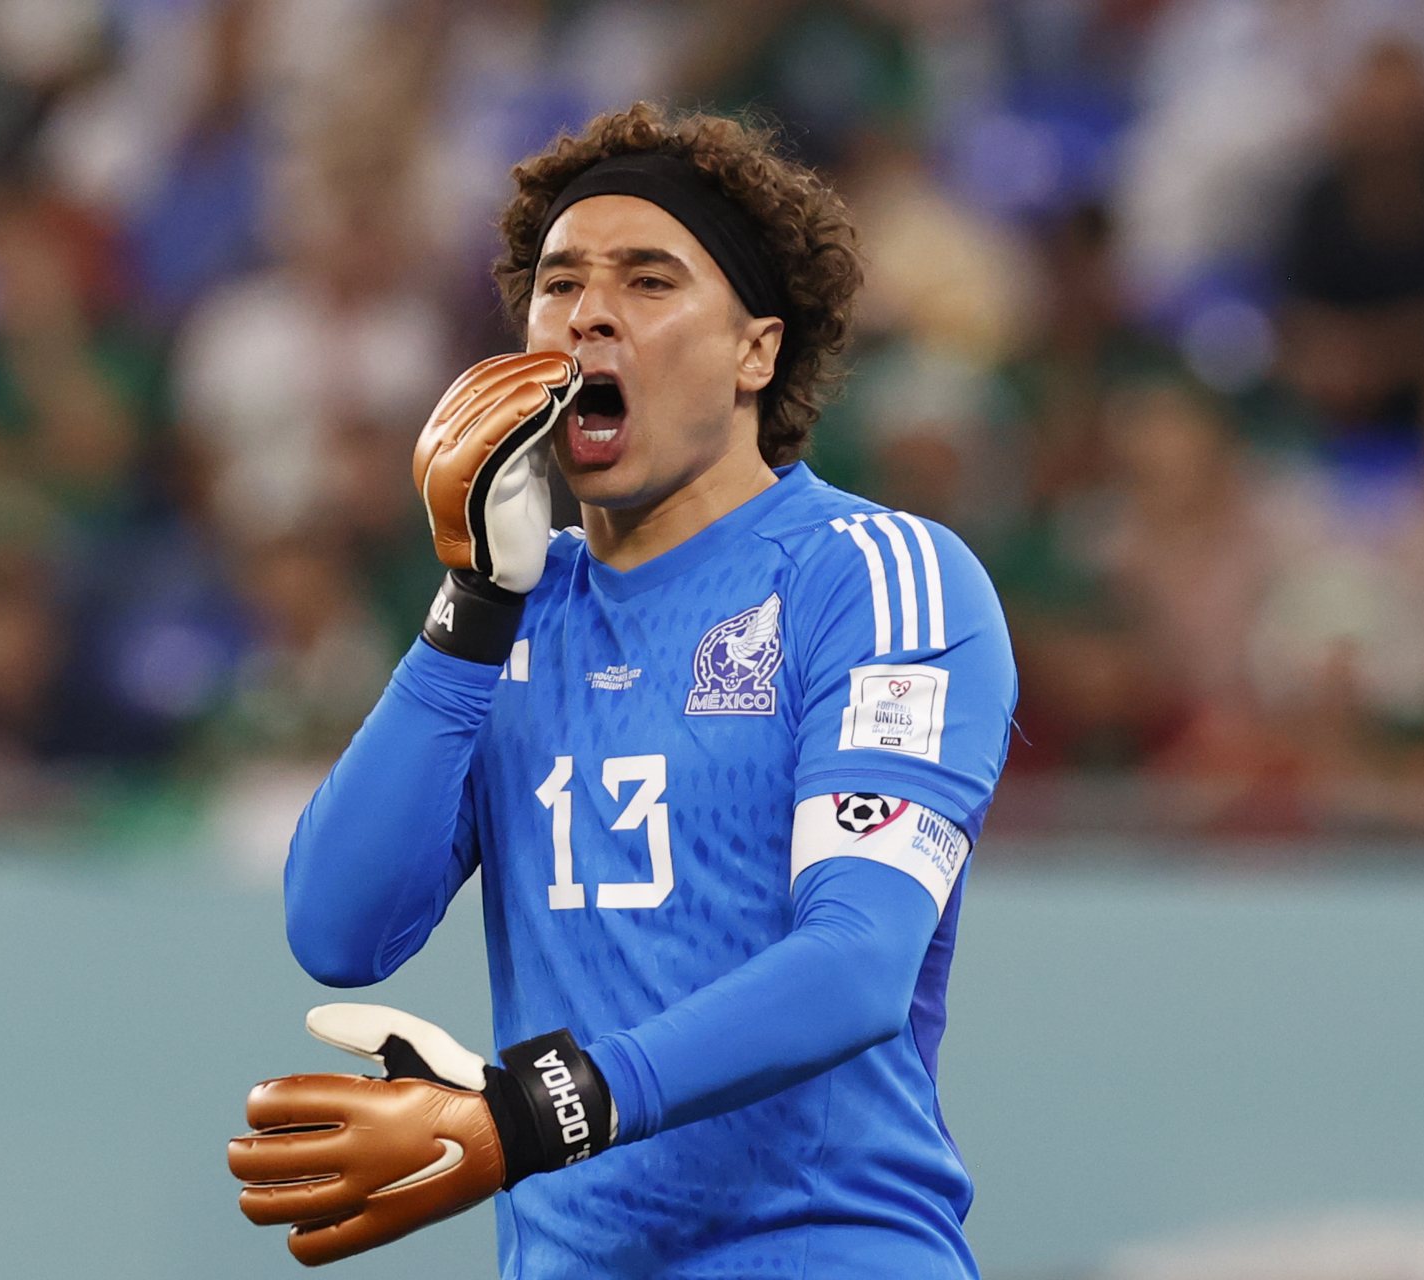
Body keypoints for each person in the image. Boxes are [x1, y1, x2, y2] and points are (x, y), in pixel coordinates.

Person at [228, 103, 1017, 1278]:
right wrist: (471, 611)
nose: (588, 311)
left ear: (758, 349)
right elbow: (338, 927)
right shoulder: (510, 609)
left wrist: (527, 1113)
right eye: (558, 284)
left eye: (650, 281)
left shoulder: (878, 576)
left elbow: (857, 958)